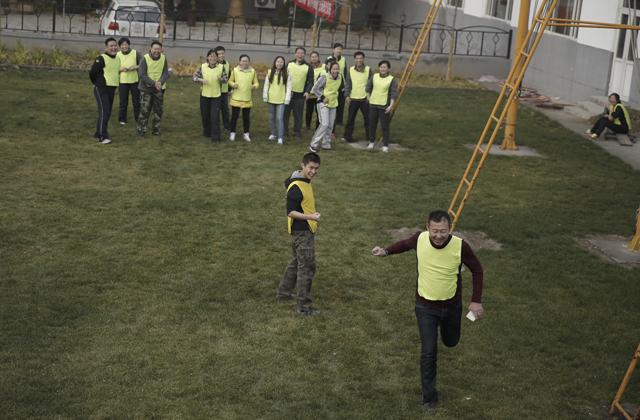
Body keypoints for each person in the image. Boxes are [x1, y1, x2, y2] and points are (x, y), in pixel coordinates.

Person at [371, 210, 484, 410]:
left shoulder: (460, 246)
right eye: (435, 231)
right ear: (427, 228)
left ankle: (448, 335)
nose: (438, 236)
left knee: (451, 341)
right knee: (428, 353)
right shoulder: (420, 239)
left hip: (451, 307)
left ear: (450, 229)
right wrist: (385, 251)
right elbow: (404, 245)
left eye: (443, 231)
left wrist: (476, 301)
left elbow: (477, 270)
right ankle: (429, 398)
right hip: (425, 307)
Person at [277, 152, 322, 316]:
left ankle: (283, 293)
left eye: (316, 168)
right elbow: (290, 212)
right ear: (302, 165)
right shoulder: (296, 187)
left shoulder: (301, 179)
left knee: (296, 262)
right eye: (311, 168)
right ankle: (303, 307)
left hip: (302, 230)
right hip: (302, 232)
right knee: (307, 268)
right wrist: (311, 217)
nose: (313, 171)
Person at [89, 37, 120, 144]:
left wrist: (116, 87)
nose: (114, 48)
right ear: (106, 48)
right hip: (101, 88)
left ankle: (98, 132)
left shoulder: (117, 58)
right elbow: (92, 73)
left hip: (112, 89)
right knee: (105, 111)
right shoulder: (101, 58)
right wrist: (96, 84)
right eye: (111, 46)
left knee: (106, 112)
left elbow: (115, 73)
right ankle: (103, 137)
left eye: (115, 45)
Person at [137, 40, 169, 136]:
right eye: (155, 49)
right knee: (144, 110)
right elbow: (142, 75)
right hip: (146, 89)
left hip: (159, 89)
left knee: (158, 110)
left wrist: (160, 82)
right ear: (151, 49)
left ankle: (156, 129)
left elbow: (166, 73)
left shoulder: (163, 58)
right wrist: (154, 83)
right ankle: (141, 129)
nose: (157, 51)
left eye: (159, 49)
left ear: (161, 50)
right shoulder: (144, 59)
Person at [309, 60, 342, 153]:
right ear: (330, 69)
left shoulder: (340, 77)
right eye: (333, 69)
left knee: (330, 125)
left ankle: (326, 144)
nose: (335, 71)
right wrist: (323, 97)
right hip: (323, 103)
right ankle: (313, 144)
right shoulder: (324, 77)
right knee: (324, 124)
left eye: (337, 69)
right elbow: (315, 89)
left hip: (333, 103)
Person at [366, 60, 398, 153]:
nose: (383, 69)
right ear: (379, 68)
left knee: (385, 126)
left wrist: (391, 105)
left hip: (384, 106)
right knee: (372, 125)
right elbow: (368, 88)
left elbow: (393, 93)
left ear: (388, 69)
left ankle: (385, 145)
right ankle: (371, 142)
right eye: (381, 67)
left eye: (385, 67)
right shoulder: (374, 76)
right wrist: (369, 98)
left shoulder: (392, 79)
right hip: (373, 104)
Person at [193, 49, 224, 142]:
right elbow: (194, 77)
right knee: (205, 115)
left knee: (215, 116)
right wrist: (201, 80)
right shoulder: (202, 66)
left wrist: (221, 79)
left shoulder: (221, 67)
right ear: (207, 57)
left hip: (216, 96)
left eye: (214, 56)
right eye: (210, 56)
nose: (212, 58)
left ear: (217, 58)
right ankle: (207, 132)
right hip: (204, 95)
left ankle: (216, 137)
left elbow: (226, 79)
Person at [228, 54, 259, 142]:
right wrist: (233, 84)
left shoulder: (252, 71)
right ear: (240, 62)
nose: (245, 62)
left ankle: (246, 134)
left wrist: (254, 86)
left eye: (246, 61)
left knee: (246, 118)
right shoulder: (235, 70)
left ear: (249, 62)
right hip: (236, 99)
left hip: (247, 99)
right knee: (234, 117)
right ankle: (232, 133)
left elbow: (256, 83)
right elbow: (230, 81)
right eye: (243, 61)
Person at [284, 47, 314, 140]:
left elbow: (310, 81)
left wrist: (307, 91)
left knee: (298, 115)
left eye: (302, 53)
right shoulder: (289, 64)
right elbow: (283, 77)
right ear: (295, 54)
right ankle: (284, 132)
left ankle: (297, 132)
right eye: (298, 53)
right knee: (285, 114)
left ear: (304, 55)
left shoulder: (308, 67)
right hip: (288, 94)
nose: (300, 55)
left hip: (300, 95)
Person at [343, 51, 372, 143]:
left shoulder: (368, 69)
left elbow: (371, 84)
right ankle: (347, 137)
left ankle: (369, 138)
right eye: (357, 58)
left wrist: (369, 96)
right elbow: (348, 84)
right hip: (353, 98)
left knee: (368, 119)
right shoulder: (351, 70)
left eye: (360, 58)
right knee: (350, 119)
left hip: (365, 99)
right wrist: (347, 96)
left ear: (363, 59)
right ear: (354, 59)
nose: (359, 60)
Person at [263, 56, 292, 145]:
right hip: (271, 99)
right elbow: (266, 85)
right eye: (278, 62)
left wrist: (287, 99)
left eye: (281, 62)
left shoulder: (287, 73)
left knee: (279, 118)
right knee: (271, 118)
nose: (279, 63)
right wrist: (265, 96)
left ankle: (280, 137)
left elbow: (289, 87)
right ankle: (273, 133)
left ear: (284, 63)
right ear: (275, 63)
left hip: (281, 100)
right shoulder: (269, 72)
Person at [116, 37, 141, 125]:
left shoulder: (135, 53)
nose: (124, 46)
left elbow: (143, 64)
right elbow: (114, 68)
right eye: (122, 45)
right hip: (123, 82)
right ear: (120, 46)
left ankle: (138, 119)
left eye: (126, 44)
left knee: (136, 102)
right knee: (123, 102)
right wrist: (120, 69)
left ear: (129, 45)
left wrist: (135, 67)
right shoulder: (117, 55)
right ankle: (122, 119)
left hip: (134, 81)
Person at [327, 43, 347, 126]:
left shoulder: (343, 59)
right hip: (332, 82)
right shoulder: (329, 58)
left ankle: (339, 120)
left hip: (341, 83)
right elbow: (327, 70)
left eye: (340, 49)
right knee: (332, 101)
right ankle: (330, 119)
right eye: (337, 49)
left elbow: (345, 71)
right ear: (333, 50)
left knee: (341, 102)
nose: (339, 51)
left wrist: (345, 83)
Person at [305, 51, 324, 131]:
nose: (314, 58)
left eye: (315, 56)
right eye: (312, 57)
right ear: (310, 58)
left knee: (318, 111)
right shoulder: (307, 67)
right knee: (309, 111)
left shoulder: (323, 66)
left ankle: (318, 126)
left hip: (319, 93)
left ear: (318, 57)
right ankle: (308, 126)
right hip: (310, 93)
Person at [214, 46, 231, 132]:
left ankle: (226, 126)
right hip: (214, 91)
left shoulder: (227, 63)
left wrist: (229, 89)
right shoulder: (213, 64)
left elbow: (229, 77)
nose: (221, 55)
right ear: (216, 55)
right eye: (219, 54)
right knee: (215, 110)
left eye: (222, 53)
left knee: (225, 110)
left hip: (224, 91)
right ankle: (214, 126)